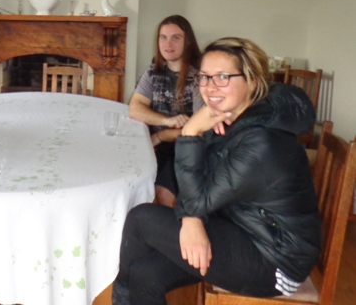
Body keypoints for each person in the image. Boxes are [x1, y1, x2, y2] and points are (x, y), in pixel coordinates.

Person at [113, 37, 321, 305]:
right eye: (204, 77)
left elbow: (198, 197)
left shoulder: (262, 143)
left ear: (253, 82)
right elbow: (199, 182)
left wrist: (190, 132)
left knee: (141, 218)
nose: (210, 87)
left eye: (223, 77)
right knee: (146, 274)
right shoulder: (234, 118)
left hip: (276, 261)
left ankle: (119, 297)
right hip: (241, 227)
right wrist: (194, 218)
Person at [129, 15, 203, 206]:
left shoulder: (199, 76)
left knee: (163, 194)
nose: (168, 43)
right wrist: (166, 121)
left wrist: (162, 135)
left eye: (175, 38)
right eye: (163, 37)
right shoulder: (153, 71)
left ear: (188, 42)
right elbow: (135, 108)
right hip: (158, 146)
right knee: (129, 179)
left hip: (188, 148)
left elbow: (201, 129)